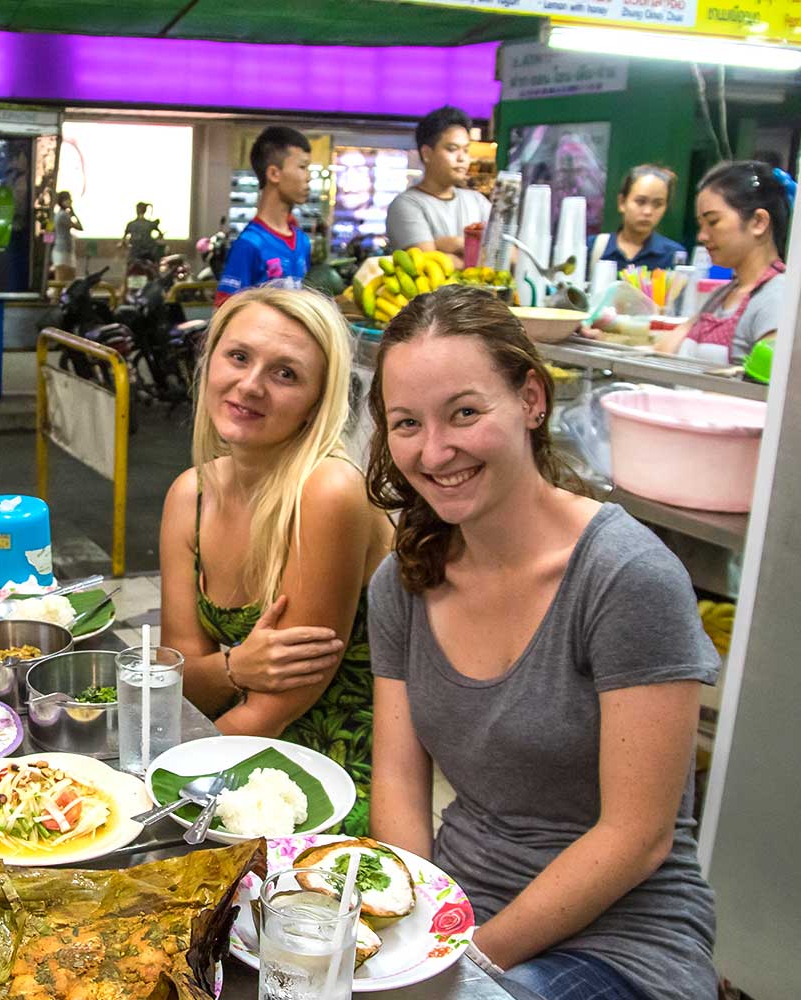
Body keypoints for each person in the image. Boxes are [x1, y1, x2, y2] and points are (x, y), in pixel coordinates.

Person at [365, 284, 719, 1000]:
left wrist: (462, 963)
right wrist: (406, 935)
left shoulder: (626, 578)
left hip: (621, 943)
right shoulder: (404, 577)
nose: (435, 451)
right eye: (407, 423)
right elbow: (400, 779)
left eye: (464, 412)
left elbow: (637, 837)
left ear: (530, 399)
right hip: (459, 906)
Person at [160, 286, 394, 834]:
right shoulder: (188, 495)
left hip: (326, 777)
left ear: (317, 401)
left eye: (285, 374)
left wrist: (160, 784)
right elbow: (179, 679)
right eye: (238, 357)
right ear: (210, 359)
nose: (250, 385)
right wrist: (233, 667)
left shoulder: (329, 491)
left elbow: (279, 703)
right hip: (229, 745)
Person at [651, 160, 790, 365]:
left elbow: (759, 391)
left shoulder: (778, 299)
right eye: (701, 224)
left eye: (713, 222)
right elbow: (662, 352)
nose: (702, 236)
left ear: (759, 222)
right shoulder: (721, 296)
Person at [215, 127, 313, 305]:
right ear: (274, 173)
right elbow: (223, 314)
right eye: (302, 167)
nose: (308, 177)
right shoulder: (250, 244)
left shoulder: (302, 241)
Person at [384, 106, 490, 260]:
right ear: (427, 153)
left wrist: (455, 244)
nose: (462, 158)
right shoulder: (406, 205)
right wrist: (477, 252)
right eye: (452, 149)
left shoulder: (477, 201)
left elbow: (509, 254)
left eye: (466, 150)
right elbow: (428, 265)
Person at [586, 165, 686, 272]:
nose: (648, 212)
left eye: (657, 204)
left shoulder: (673, 255)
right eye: (640, 202)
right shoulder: (594, 247)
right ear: (622, 202)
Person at [50, 190, 83, 282]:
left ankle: (57, 296)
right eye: (69, 199)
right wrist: (74, 214)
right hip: (63, 251)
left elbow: (49, 232)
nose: (71, 201)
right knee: (61, 280)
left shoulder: (57, 215)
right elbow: (80, 227)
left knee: (65, 279)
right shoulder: (63, 215)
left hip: (63, 250)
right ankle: (56, 296)